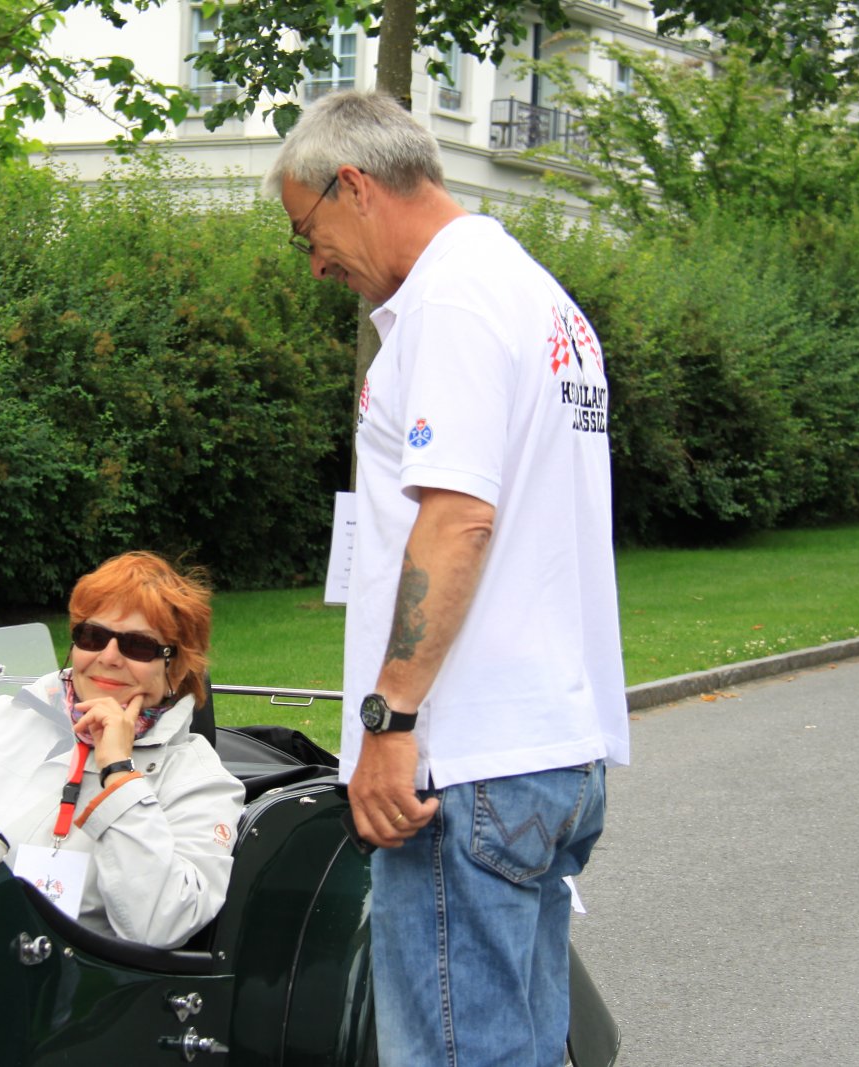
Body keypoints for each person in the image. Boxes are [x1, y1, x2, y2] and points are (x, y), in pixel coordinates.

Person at [265, 91, 631, 1067]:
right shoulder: (537, 296)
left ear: (353, 185)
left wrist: (388, 720)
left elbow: (458, 517)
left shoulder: (450, 302)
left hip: (465, 761)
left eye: (307, 231)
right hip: (551, 747)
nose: (315, 263)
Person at [0, 552, 244, 948]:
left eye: (138, 646)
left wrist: (119, 773)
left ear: (175, 669)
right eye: (92, 636)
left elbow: (162, 924)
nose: (108, 657)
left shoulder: (200, 781)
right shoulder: (1, 716)